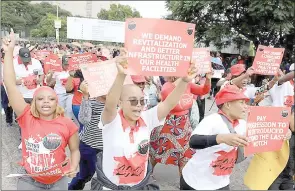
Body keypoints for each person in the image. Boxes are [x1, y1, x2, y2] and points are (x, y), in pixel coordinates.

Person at [95, 49, 198, 189]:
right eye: (132, 101)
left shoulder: (147, 118)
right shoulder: (111, 121)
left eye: (141, 101)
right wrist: (121, 75)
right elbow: (109, 105)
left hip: (140, 186)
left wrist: (184, 81)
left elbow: (168, 103)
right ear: (120, 102)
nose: (138, 106)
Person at [3, 29, 80, 190]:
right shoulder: (26, 117)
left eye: (51, 99)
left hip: (59, 182)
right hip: (29, 182)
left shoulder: (68, 124)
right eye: (40, 98)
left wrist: (74, 165)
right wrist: (9, 52)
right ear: (34, 103)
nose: (46, 102)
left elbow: (74, 150)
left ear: (56, 102)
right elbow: (10, 85)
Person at [181, 85, 250, 190]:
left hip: (221, 182)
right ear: (227, 104)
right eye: (241, 103)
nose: (246, 106)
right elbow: (193, 141)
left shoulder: (243, 124)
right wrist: (221, 138)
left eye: (245, 103)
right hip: (196, 182)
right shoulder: (213, 120)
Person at [149, 72, 211, 177]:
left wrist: (208, 79)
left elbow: (203, 90)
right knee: (158, 151)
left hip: (184, 124)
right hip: (168, 124)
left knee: (185, 154)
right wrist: (183, 80)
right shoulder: (167, 86)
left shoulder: (189, 85)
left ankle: (183, 182)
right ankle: (148, 174)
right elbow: (173, 104)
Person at [244, 106, 294, 190]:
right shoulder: (276, 124)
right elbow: (256, 132)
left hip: (288, 176)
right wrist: (281, 130)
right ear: (290, 114)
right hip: (271, 175)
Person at [68, 81, 105, 190]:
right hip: (89, 146)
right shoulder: (91, 101)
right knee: (85, 175)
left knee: (106, 178)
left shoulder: (118, 103)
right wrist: (85, 96)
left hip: (108, 148)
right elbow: (84, 120)